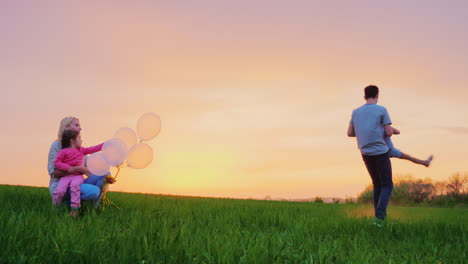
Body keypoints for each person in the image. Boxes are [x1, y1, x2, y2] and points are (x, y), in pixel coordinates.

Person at [347, 85, 393, 226]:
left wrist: (363, 130)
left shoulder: (355, 112)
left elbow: (350, 133)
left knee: (377, 184)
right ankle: (379, 217)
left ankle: (377, 219)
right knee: (387, 185)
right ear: (377, 95)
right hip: (380, 152)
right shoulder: (381, 110)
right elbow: (389, 132)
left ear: (364, 96)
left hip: (365, 153)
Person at [47, 117, 110, 209]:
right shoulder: (57, 146)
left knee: (105, 175)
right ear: (66, 127)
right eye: (76, 125)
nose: (80, 128)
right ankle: (68, 204)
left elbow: (90, 168)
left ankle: (92, 208)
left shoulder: (79, 149)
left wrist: (106, 145)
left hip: (77, 182)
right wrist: (77, 169)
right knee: (94, 190)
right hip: (61, 186)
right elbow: (54, 172)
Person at [53, 130, 104, 217]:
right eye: (79, 138)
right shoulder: (63, 152)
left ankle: (74, 210)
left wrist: (105, 144)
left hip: (77, 177)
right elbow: (57, 163)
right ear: (72, 140)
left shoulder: (81, 150)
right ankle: (56, 208)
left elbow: (93, 149)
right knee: (59, 191)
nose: (81, 140)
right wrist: (69, 168)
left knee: (75, 187)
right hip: (66, 176)